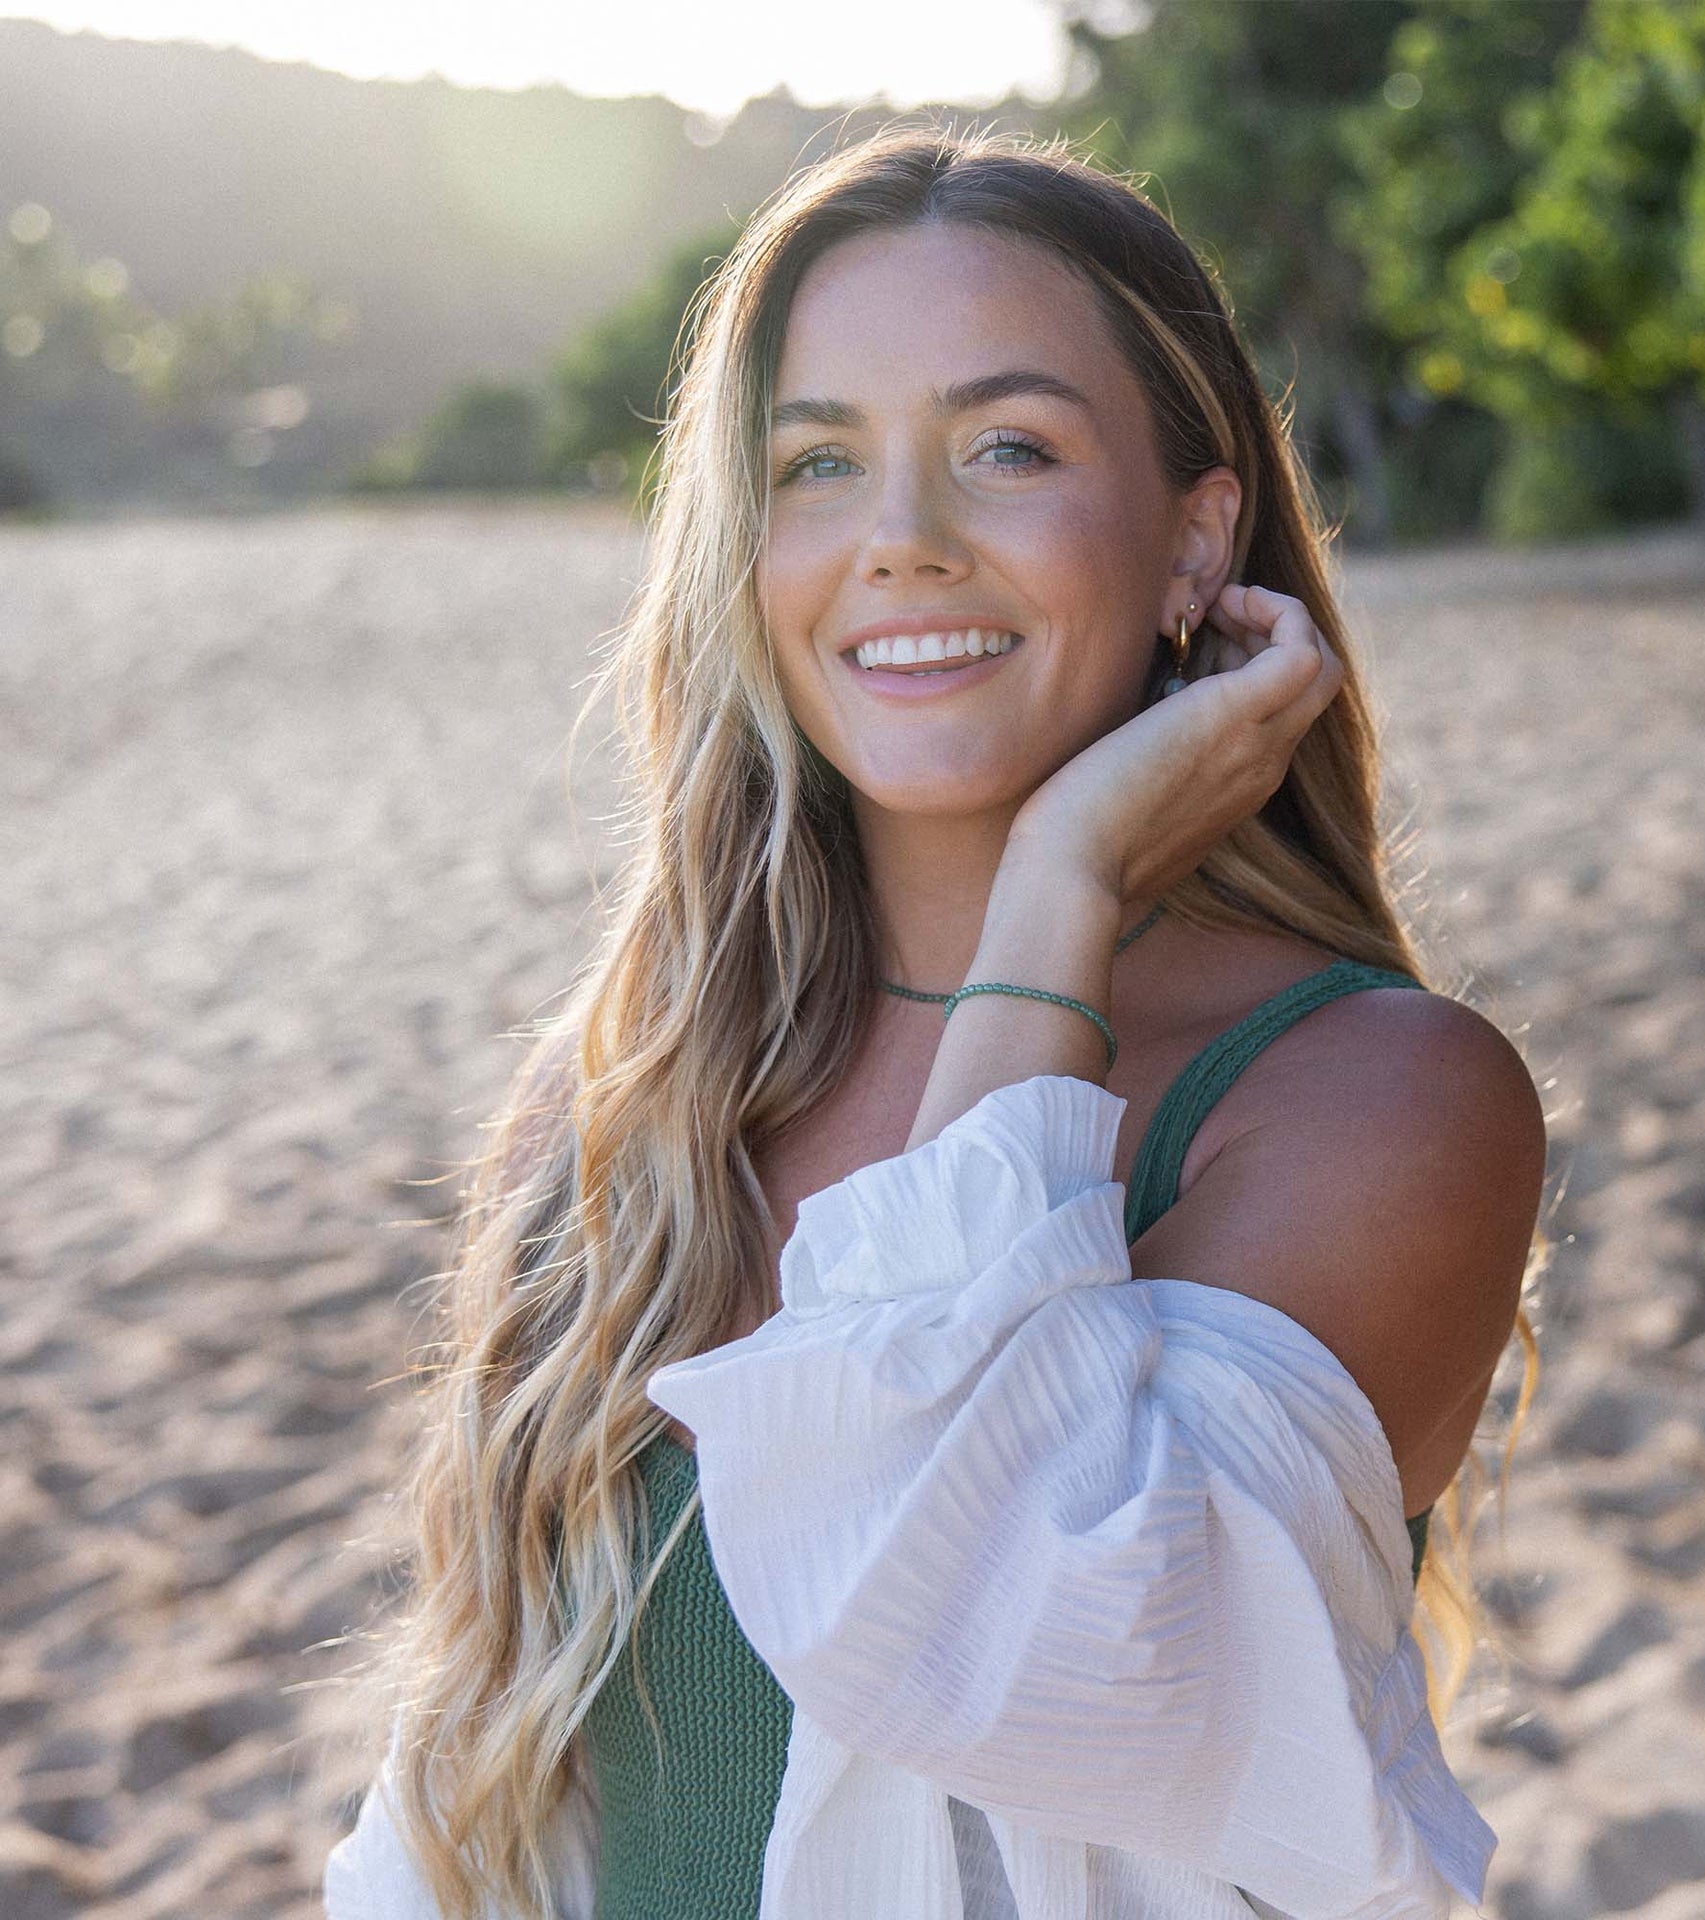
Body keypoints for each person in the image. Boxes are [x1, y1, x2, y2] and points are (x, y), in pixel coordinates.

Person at [324, 123, 1548, 1920]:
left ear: (1198, 535)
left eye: (1007, 449)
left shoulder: (1377, 1104)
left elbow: (989, 1620)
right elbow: (473, 1798)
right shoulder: (638, 1091)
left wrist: (1062, 887)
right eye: (816, 465)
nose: (900, 543)